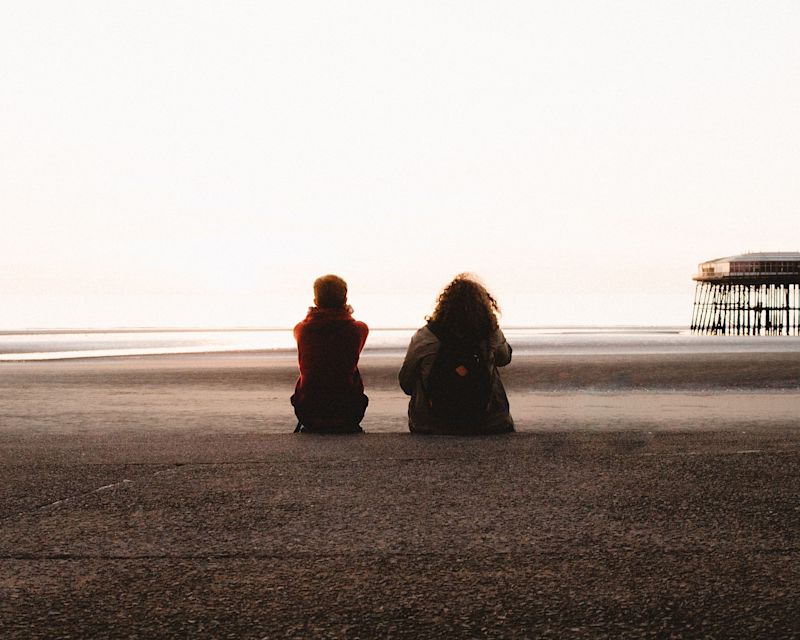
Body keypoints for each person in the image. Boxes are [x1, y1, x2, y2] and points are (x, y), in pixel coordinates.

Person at [398, 273, 513, 435]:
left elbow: (406, 381)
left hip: (431, 423)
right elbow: (505, 358)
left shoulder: (425, 337)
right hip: (488, 422)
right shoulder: (490, 334)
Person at [291, 275, 369, 433]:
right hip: (348, 410)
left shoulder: (301, 329)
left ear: (315, 301)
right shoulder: (358, 329)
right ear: (345, 298)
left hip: (308, 410)